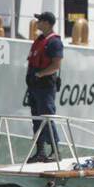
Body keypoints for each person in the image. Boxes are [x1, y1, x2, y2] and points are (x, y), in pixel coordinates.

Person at [25, 11, 65, 162]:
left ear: (47, 23)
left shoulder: (54, 42)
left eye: (40, 20)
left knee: (47, 118)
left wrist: (39, 75)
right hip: (34, 87)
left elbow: (56, 65)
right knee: (36, 119)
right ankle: (40, 151)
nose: (37, 22)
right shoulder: (40, 40)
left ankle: (55, 151)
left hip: (45, 87)